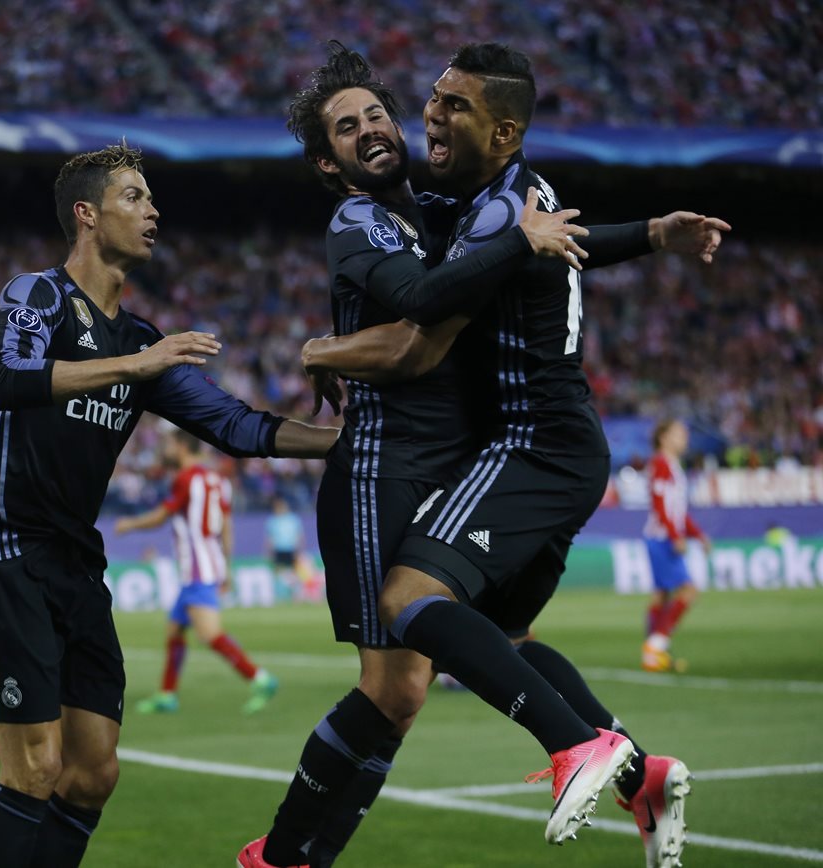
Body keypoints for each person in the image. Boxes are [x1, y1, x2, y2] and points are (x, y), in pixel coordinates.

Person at [240, 42, 722, 868]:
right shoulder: (359, 219)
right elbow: (425, 318)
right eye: (347, 128)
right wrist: (325, 347)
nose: (376, 129)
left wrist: (643, 233)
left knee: (449, 660)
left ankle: (290, 860)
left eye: (376, 113)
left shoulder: (436, 208)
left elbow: (530, 243)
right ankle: (286, 858)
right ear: (329, 161)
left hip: (466, 456)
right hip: (383, 469)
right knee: (402, 685)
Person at [0, 142, 340, 868]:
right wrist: (136, 366)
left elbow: (236, 427)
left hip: (74, 566)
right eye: (134, 196)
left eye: (152, 198)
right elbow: (7, 378)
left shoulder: (141, 339)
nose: (153, 211)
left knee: (93, 773)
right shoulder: (38, 297)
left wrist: (341, 441)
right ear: (86, 215)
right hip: (6, 554)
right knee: (32, 770)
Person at [115, 429, 278, 715]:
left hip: (196, 570)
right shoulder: (216, 480)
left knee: (210, 634)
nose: (166, 449)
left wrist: (129, 524)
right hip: (207, 565)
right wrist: (226, 566)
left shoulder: (185, 479)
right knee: (175, 629)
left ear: (181, 447)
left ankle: (260, 678)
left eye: (169, 444)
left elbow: (160, 517)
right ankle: (167, 694)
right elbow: (226, 525)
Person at [642, 418, 710, 673]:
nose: (685, 438)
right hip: (661, 538)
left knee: (662, 594)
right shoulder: (660, 463)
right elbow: (660, 505)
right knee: (688, 591)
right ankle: (655, 646)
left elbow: (678, 511)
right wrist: (675, 536)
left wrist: (698, 535)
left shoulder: (672, 465)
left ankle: (653, 652)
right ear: (664, 438)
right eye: (679, 434)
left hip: (662, 536)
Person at [265, 496, 309, 596]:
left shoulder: (293, 519)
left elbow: (299, 536)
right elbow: (269, 538)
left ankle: (296, 593)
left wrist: (299, 550)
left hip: (291, 549)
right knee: (277, 571)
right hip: (278, 549)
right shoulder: (272, 521)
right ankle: (276, 593)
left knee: (295, 571)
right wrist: (269, 552)